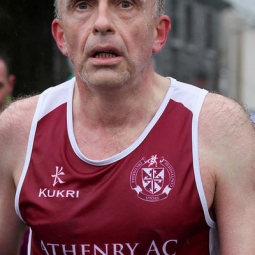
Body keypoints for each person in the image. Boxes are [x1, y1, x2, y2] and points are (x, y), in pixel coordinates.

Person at [0, 0, 255, 254]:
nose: (101, 23)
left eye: (125, 4)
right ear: (61, 36)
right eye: (82, 6)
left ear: (159, 33)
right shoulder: (18, 131)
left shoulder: (218, 129)